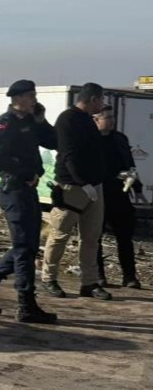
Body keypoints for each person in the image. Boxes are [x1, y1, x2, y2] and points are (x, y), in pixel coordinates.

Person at [0, 79, 58, 324]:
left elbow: (54, 142)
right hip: (14, 189)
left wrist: (42, 121)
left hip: (27, 190)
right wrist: (26, 173)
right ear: (17, 98)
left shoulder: (29, 121)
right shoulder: (5, 123)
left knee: (28, 246)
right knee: (23, 248)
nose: (34, 100)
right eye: (31, 96)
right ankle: (26, 304)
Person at [41, 83, 111, 300]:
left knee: (91, 237)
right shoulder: (68, 119)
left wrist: (96, 182)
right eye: (101, 100)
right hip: (72, 186)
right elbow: (68, 154)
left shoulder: (88, 120)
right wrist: (82, 183)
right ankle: (48, 278)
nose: (102, 104)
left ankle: (89, 282)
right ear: (93, 99)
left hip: (94, 187)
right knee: (60, 234)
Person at [94, 105, 147, 289]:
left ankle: (129, 276)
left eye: (112, 117)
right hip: (98, 193)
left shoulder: (120, 139)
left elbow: (130, 165)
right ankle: (98, 276)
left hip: (120, 193)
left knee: (125, 235)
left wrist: (137, 187)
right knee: (95, 236)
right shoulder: (90, 139)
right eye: (107, 117)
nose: (112, 121)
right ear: (96, 120)